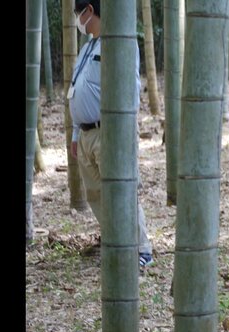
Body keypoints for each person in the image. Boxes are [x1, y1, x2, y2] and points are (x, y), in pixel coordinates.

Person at [68, 0, 154, 268]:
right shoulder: (86, 48)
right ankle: (117, 241)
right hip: (85, 134)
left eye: (78, 14)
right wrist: (74, 134)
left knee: (122, 191)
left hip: (110, 131)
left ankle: (142, 250)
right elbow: (76, 88)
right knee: (95, 194)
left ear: (90, 10)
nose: (77, 21)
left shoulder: (119, 41)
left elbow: (131, 87)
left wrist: (124, 130)